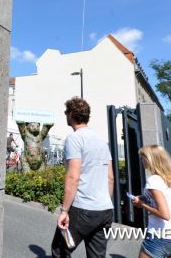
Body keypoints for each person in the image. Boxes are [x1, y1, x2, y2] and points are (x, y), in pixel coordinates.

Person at [51, 97, 114, 258]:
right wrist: (104, 201)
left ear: (71, 114)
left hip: (83, 209)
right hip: (105, 209)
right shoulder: (101, 141)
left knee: (60, 249)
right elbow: (110, 178)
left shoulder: (74, 138)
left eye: (66, 112)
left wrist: (64, 211)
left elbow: (73, 177)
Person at [131, 145, 171, 258]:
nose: (141, 160)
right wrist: (145, 198)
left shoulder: (153, 180)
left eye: (143, 156)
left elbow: (165, 215)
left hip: (161, 237)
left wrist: (142, 204)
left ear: (150, 159)